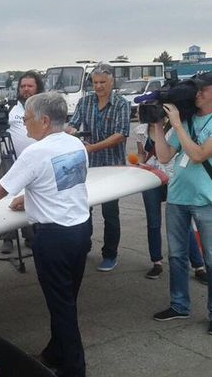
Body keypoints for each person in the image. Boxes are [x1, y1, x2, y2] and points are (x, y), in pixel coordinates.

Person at [0, 93, 90, 377]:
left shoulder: (36, 152)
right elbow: (64, 185)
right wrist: (30, 199)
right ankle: (55, 353)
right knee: (66, 299)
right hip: (80, 231)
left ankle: (74, 369)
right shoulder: (75, 143)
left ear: (44, 121)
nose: (24, 123)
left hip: (54, 238)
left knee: (62, 307)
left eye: (27, 118)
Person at [152, 72, 212, 336]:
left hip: (207, 200)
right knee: (177, 256)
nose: (197, 94)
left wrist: (177, 124)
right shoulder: (187, 119)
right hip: (178, 197)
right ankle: (179, 305)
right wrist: (157, 124)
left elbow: (199, 155)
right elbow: (165, 155)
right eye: (195, 90)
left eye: (203, 89)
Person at [66, 62, 130, 272]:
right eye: (95, 82)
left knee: (110, 213)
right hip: (89, 167)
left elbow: (120, 135)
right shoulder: (85, 103)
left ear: (112, 82)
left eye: (103, 82)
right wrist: (68, 133)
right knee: (84, 209)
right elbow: (74, 124)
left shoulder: (121, 104)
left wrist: (93, 147)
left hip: (113, 167)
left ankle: (110, 254)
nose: (99, 86)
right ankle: (83, 248)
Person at [0, 70, 44, 253]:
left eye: (30, 86)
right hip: (10, 161)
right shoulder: (11, 107)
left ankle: (30, 236)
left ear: (37, 87)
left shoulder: (43, 106)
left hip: (36, 162)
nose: (26, 89)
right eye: (23, 86)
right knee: (6, 196)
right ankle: (7, 238)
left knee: (31, 197)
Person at [134, 122, 208, 283]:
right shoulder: (140, 130)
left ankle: (198, 265)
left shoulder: (176, 128)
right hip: (151, 178)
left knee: (182, 221)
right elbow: (141, 153)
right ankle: (156, 262)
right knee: (153, 222)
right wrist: (139, 165)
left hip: (174, 177)